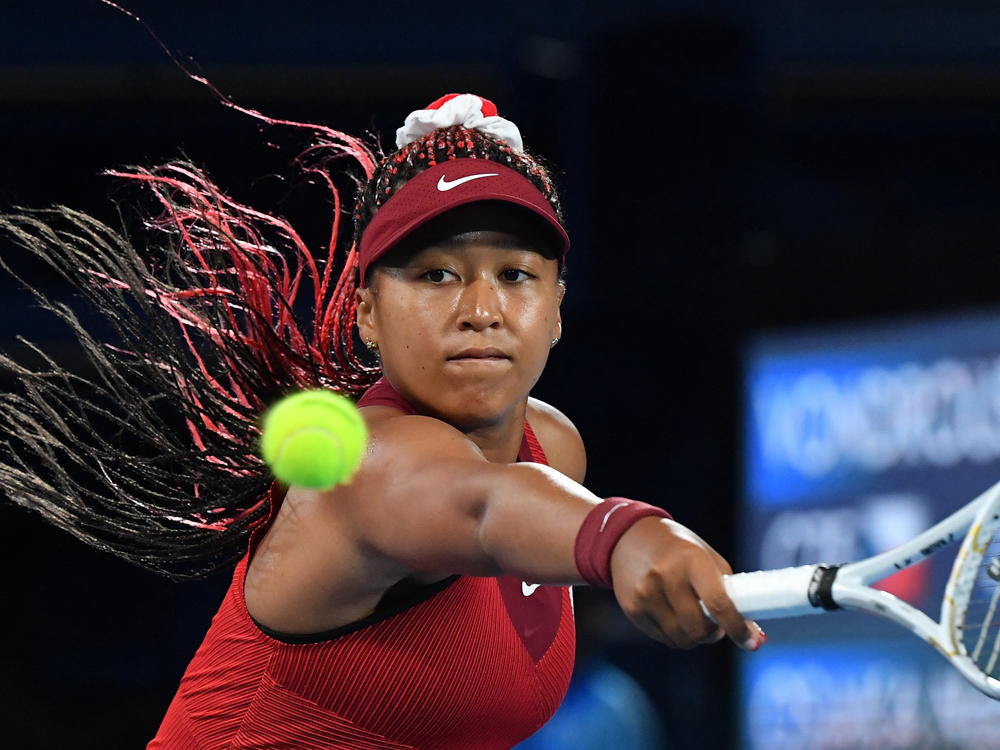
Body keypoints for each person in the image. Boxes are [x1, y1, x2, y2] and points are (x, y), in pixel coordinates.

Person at [0, 93, 763, 749]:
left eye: (516, 276)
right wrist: (623, 535)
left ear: (557, 309)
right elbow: (483, 504)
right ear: (367, 311)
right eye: (436, 275)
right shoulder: (366, 466)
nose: (482, 310)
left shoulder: (555, 448)